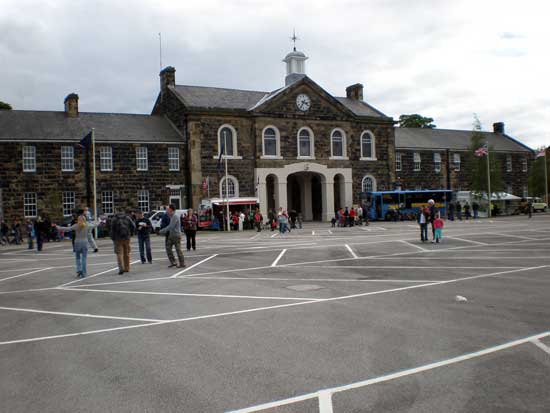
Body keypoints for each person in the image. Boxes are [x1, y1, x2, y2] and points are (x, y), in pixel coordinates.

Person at [109, 210, 135, 275]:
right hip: (127, 238)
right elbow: (133, 226)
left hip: (117, 239)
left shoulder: (114, 219)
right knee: (126, 253)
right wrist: (130, 234)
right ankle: (127, 268)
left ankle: (121, 268)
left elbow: (112, 229)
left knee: (119, 254)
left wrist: (113, 238)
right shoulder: (127, 218)